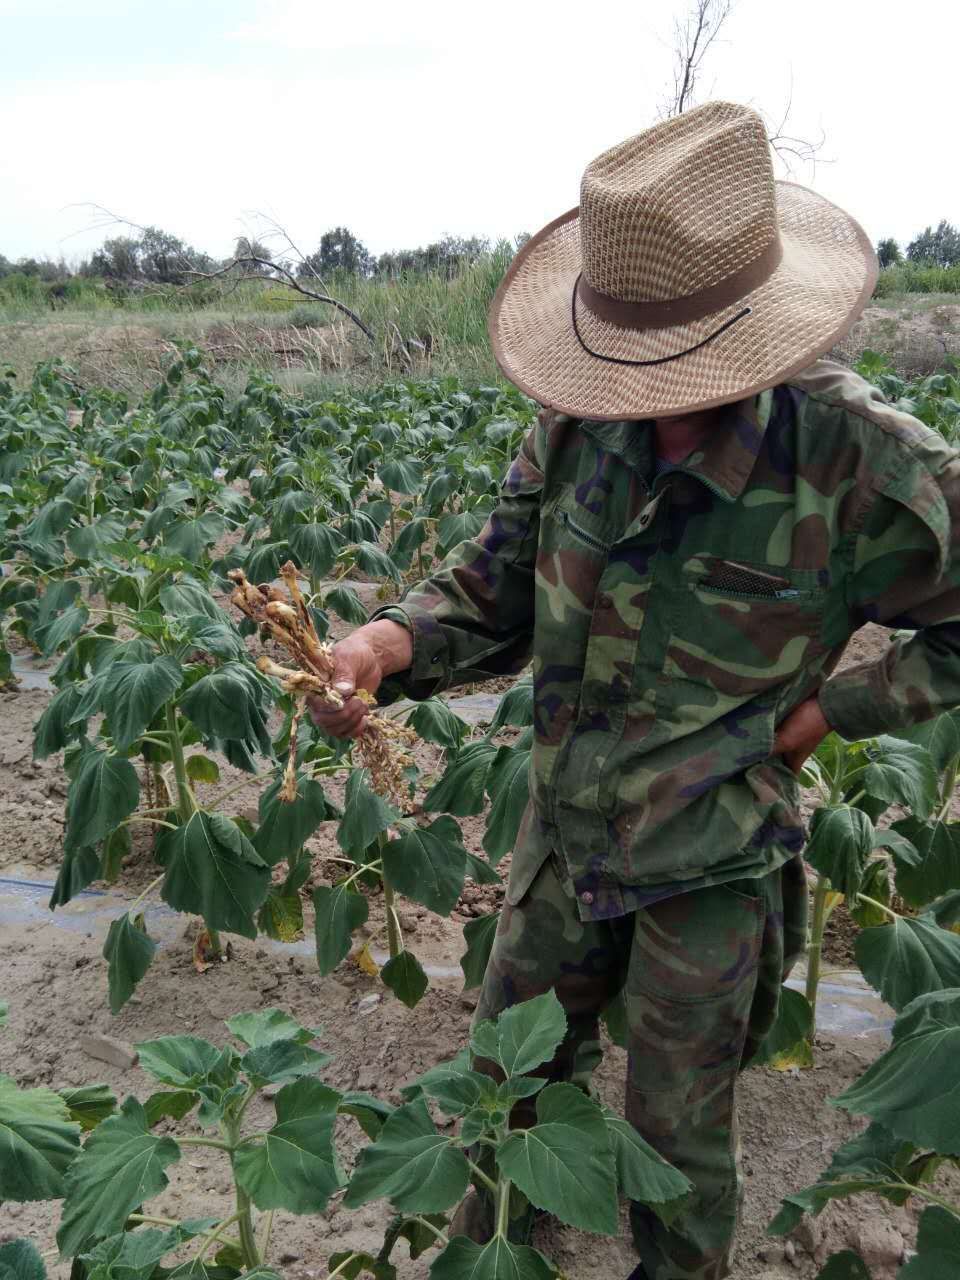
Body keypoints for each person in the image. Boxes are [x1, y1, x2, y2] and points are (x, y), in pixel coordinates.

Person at [310, 102, 960, 1279]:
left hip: (712, 861)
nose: (638, 387)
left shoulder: (859, 462)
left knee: (677, 1146)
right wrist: (386, 646)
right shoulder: (577, 427)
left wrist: (825, 716)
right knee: (507, 1099)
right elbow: (494, 584)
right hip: (561, 838)